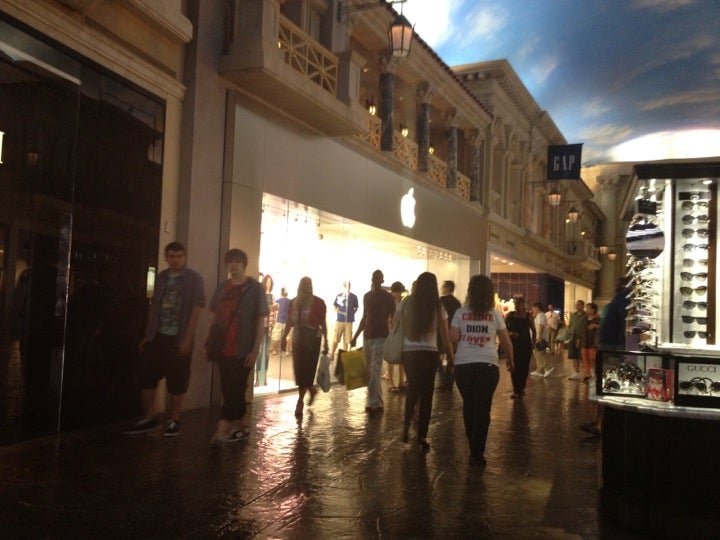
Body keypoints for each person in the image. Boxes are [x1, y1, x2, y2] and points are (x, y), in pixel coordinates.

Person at [127, 242, 205, 437]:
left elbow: (197, 308)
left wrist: (189, 337)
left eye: (179, 256)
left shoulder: (194, 279)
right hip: (157, 336)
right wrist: (147, 335)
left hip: (178, 338)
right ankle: (150, 416)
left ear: (184, 257)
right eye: (171, 256)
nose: (175, 260)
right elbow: (154, 307)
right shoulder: (161, 277)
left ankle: (175, 419)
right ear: (166, 257)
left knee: (177, 379)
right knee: (146, 375)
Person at [450, 275, 514, 466]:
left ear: (470, 291)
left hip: (463, 366)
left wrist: (455, 354)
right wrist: (511, 360)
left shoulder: (460, 313)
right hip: (488, 366)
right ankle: (477, 452)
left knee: (469, 404)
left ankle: (472, 442)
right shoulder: (494, 315)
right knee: (483, 407)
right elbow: (505, 341)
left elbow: (453, 337)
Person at [207, 249, 267, 445]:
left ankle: (223, 427)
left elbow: (260, 321)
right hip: (223, 347)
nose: (233, 265)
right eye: (230, 262)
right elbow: (215, 317)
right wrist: (210, 341)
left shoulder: (255, 288)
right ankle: (240, 425)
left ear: (244, 264)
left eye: (237, 262)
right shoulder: (223, 287)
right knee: (229, 388)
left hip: (243, 348)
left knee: (236, 387)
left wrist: (255, 349)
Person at [395, 272, 453, 449]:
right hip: (429, 353)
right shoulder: (438, 306)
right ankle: (422, 435)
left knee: (413, 388)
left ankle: (405, 425)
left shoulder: (406, 302)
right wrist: (451, 356)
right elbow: (445, 335)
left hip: (409, 352)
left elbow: (396, 325)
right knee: (427, 394)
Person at [351, 270, 396, 413]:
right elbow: (365, 317)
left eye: (377, 278)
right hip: (368, 335)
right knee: (370, 370)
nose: (375, 280)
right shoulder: (367, 296)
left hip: (381, 336)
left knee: (375, 369)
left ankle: (372, 402)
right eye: (374, 278)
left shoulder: (388, 297)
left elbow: (393, 317)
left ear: (382, 281)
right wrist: (356, 336)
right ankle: (378, 400)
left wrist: (394, 335)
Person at [284, 277, 328, 418]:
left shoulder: (318, 303)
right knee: (299, 372)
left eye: (309, 284)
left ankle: (300, 401)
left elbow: (322, 322)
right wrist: (284, 338)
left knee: (307, 371)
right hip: (298, 339)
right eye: (304, 284)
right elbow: (289, 321)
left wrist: (326, 341)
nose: (307, 287)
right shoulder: (293, 302)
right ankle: (310, 390)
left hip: (312, 340)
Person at [505, 297, 533, 397]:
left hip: (526, 344)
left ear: (523, 304)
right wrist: (510, 333)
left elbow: (533, 330)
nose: (517, 305)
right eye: (516, 303)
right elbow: (503, 329)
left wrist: (533, 343)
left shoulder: (528, 316)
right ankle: (517, 389)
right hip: (513, 344)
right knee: (514, 366)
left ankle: (521, 387)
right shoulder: (510, 315)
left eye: (519, 303)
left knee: (524, 366)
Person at [438, 280, 462, 391]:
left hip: (441, 334)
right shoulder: (457, 302)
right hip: (454, 333)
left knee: (438, 358)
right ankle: (449, 382)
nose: (441, 288)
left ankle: (443, 381)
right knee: (451, 357)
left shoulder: (441, 301)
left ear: (447, 288)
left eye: (443, 286)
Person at [387, 281, 407, 391]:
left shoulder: (402, 302)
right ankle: (391, 381)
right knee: (391, 357)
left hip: (401, 331)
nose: (398, 294)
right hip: (392, 332)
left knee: (401, 357)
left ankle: (401, 381)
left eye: (399, 292)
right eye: (397, 292)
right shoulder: (391, 302)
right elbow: (389, 318)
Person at [255, 274, 274, 386]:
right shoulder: (260, 296)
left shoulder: (272, 296)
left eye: (269, 282)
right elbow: (264, 309)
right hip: (261, 325)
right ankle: (258, 378)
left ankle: (264, 377)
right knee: (259, 351)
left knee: (266, 353)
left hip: (269, 327)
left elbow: (273, 312)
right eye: (266, 282)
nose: (268, 284)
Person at [330, 281, 359, 357]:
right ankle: (332, 353)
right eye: (346, 286)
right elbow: (335, 306)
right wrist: (339, 312)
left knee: (347, 339)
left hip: (349, 321)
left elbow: (356, 307)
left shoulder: (354, 297)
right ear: (344, 286)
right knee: (336, 338)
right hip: (340, 320)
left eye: (348, 286)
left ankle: (344, 356)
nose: (347, 287)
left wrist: (352, 313)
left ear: (350, 286)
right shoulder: (339, 296)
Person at [529, 302, 552, 377]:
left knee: (539, 354)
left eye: (533, 308)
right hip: (538, 337)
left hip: (539, 338)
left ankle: (547, 368)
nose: (532, 309)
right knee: (539, 354)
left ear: (537, 308)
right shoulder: (539, 315)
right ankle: (539, 370)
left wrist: (538, 337)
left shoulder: (540, 315)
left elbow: (540, 326)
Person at [567, 300, 587, 380]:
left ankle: (586, 373)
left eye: (579, 305)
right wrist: (569, 331)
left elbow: (585, 328)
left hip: (581, 339)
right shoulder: (573, 315)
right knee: (574, 356)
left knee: (582, 356)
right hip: (572, 338)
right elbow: (571, 325)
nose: (577, 306)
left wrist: (580, 338)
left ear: (582, 306)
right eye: (576, 305)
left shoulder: (585, 316)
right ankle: (576, 372)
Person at [581, 302, 601, 381]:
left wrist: (595, 326)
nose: (587, 310)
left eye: (589, 308)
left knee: (593, 358)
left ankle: (596, 373)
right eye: (587, 308)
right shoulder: (584, 318)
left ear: (593, 310)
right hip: (584, 341)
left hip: (593, 342)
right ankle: (587, 374)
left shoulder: (598, 319)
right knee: (585, 359)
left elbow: (602, 328)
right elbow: (581, 329)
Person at [270, 288, 291, 354]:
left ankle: (274, 351)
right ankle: (287, 351)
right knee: (288, 337)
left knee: (276, 336)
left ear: (281, 293)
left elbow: (273, 310)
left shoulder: (278, 301)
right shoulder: (290, 301)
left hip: (279, 320)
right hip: (287, 321)